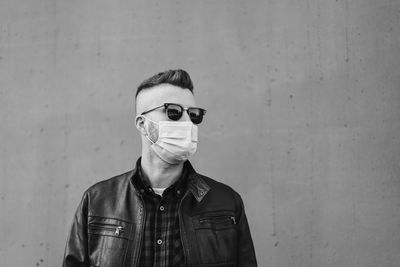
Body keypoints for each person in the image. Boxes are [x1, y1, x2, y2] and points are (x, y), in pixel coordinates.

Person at [63, 69, 257, 266]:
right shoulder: (97, 202)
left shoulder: (227, 202)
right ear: (142, 123)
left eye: (193, 115)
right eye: (173, 112)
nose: (187, 122)